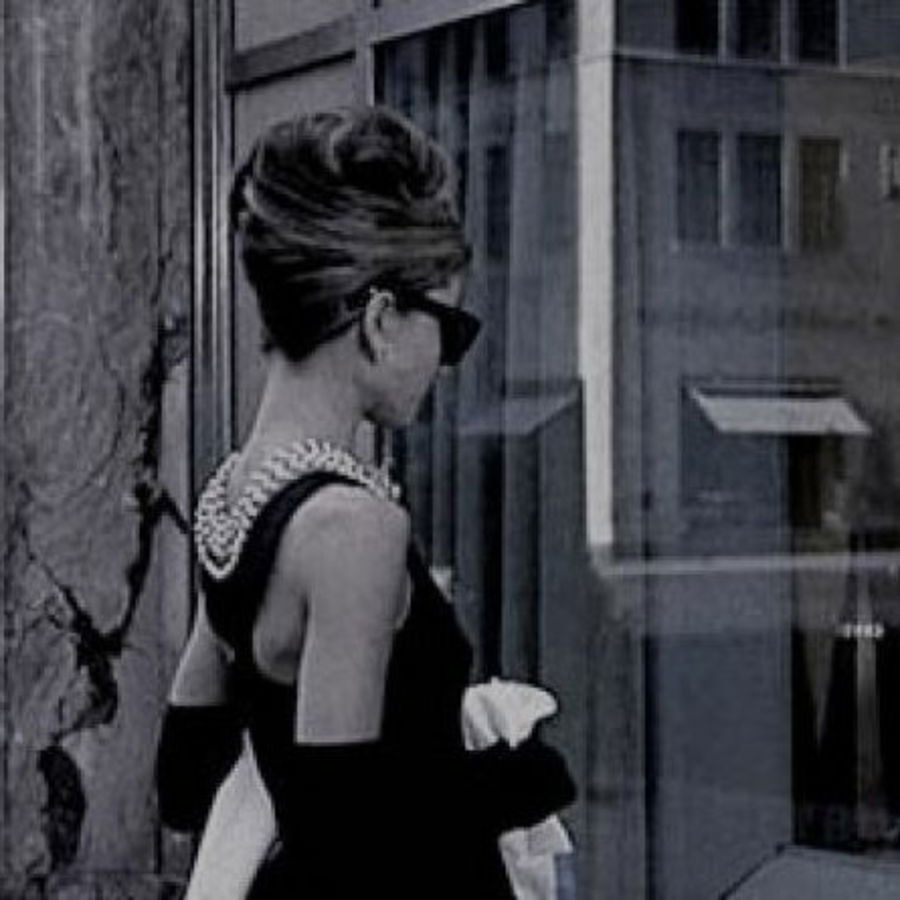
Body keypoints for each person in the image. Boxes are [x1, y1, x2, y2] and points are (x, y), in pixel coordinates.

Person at [155, 105, 576, 899]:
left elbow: (183, 780)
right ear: (381, 320)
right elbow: (345, 852)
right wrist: (514, 780)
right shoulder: (354, 529)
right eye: (450, 328)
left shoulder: (234, 497)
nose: (446, 361)